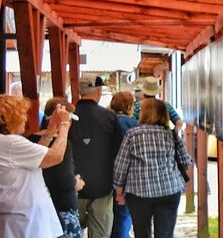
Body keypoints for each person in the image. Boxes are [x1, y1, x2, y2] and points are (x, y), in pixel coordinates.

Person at [0, 95, 72, 237]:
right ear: (11, 118)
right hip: (28, 223)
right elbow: (55, 157)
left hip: (18, 219)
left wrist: (50, 130)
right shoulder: (9, 143)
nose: (26, 119)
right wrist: (64, 127)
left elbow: (37, 160)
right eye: (22, 115)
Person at [113, 99, 192, 238]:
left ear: (144, 114)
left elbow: (121, 166)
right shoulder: (171, 135)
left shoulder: (132, 135)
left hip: (138, 193)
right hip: (169, 190)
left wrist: (119, 191)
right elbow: (186, 162)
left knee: (142, 233)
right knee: (165, 234)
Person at [70, 78, 123, 238]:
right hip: (102, 186)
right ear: (99, 92)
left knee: (71, 233)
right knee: (100, 234)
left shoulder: (68, 117)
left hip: (71, 185)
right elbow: (118, 152)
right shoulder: (109, 118)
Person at [31, 98, 85, 238]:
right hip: (62, 206)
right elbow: (64, 179)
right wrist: (76, 183)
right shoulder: (63, 145)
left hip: (37, 206)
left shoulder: (30, 140)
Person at [110, 91, 138, 238]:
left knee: (108, 219)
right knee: (123, 218)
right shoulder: (134, 125)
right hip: (127, 179)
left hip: (105, 176)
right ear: (129, 106)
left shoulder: (106, 121)